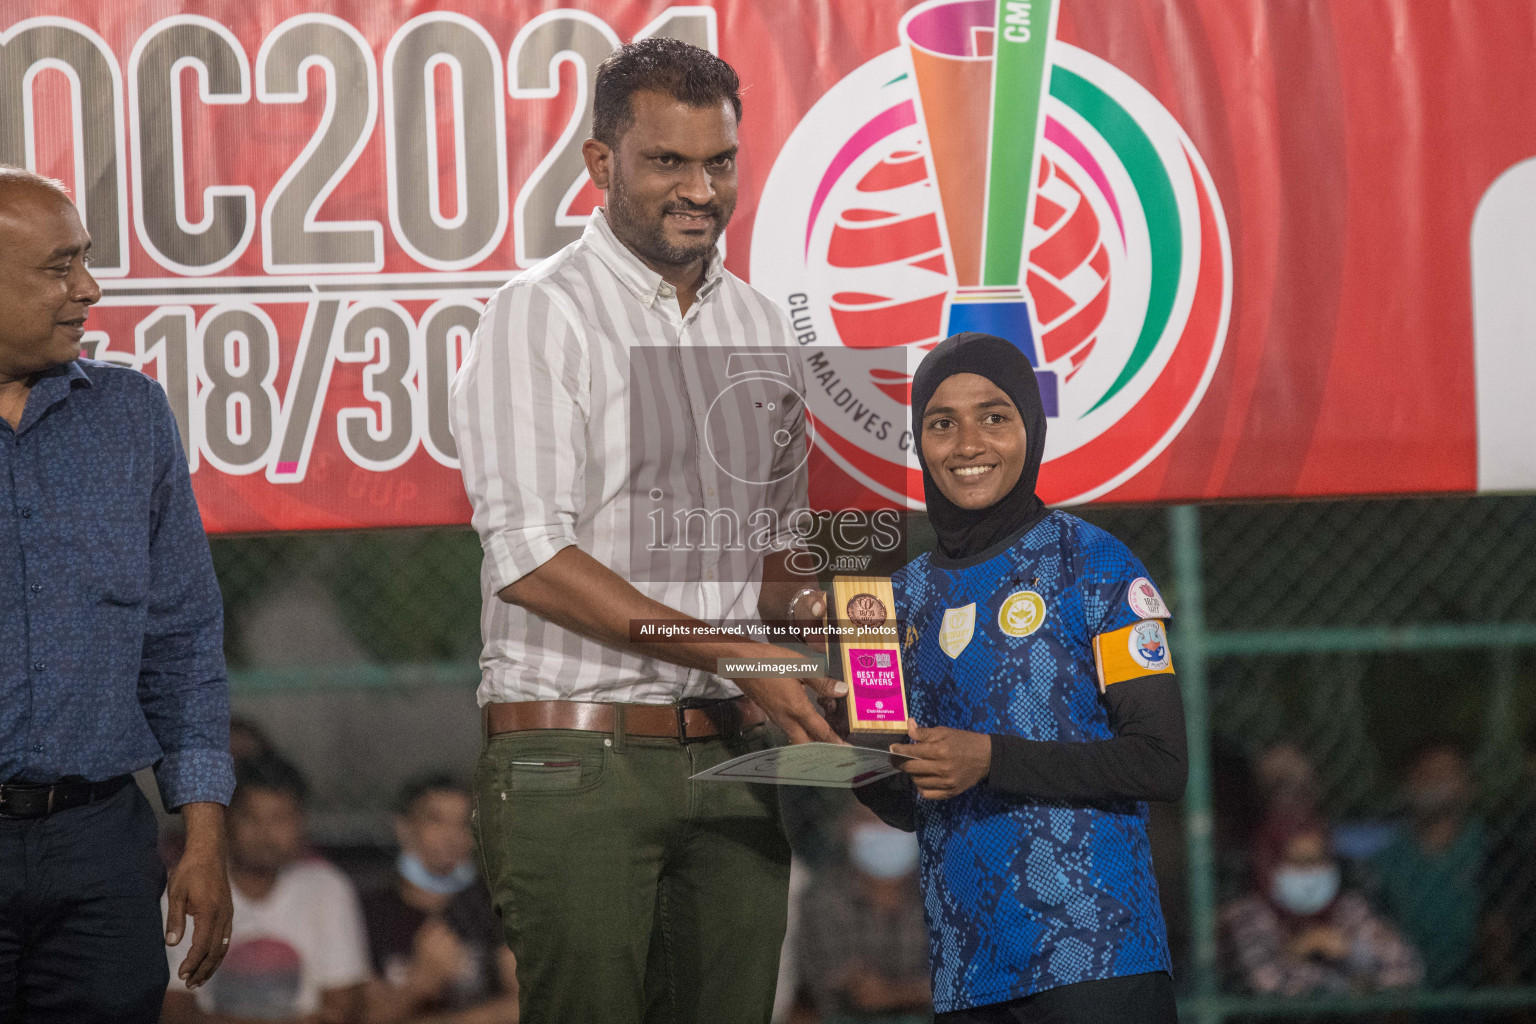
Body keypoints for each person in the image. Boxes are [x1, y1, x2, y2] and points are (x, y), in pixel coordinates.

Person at [447, 38, 844, 1024]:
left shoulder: (761, 328)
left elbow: (780, 550)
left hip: (734, 760)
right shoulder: (539, 316)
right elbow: (532, 558)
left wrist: (853, 655)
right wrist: (737, 654)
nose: (699, 188)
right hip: (575, 760)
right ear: (601, 164)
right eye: (669, 160)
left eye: (719, 162)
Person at [857, 332, 1188, 1023]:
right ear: (920, 443)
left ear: (1030, 429)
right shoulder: (884, 605)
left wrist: (989, 758)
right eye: (941, 423)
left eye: (994, 416)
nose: (968, 443)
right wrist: (846, 740)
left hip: (1097, 956)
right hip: (967, 970)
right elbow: (903, 801)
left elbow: (1160, 761)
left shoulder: (1096, 562)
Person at [0, 166, 234, 1022]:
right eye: (59, 267)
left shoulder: (132, 416)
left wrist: (204, 838)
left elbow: (184, 640)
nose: (88, 289)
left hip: (102, 846)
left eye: (85, 262)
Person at [163, 754, 370, 1023]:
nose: (266, 834)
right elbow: (173, 1010)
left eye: (280, 819)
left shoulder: (328, 888)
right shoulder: (187, 887)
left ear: (301, 823)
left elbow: (343, 1009)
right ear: (225, 821)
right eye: (252, 818)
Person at [361, 774, 517, 1023]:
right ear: (404, 828)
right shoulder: (368, 910)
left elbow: (525, 1005)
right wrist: (422, 981)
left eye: (463, 824)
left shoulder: (498, 904)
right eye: (436, 821)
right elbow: (364, 1015)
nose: (451, 836)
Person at [1221, 813, 1422, 995]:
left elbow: (1407, 969)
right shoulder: (1251, 915)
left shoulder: (1348, 908)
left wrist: (1351, 951)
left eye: (1318, 860)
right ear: (1270, 866)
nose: (1310, 872)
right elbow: (1268, 982)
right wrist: (1297, 951)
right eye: (1298, 862)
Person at [797, 804, 931, 1024]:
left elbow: (967, 981)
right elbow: (841, 985)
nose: (885, 829)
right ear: (846, 827)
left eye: (895, 820)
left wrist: (892, 993)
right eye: (870, 820)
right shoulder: (825, 896)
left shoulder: (944, 895)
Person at [1371, 738, 1487, 988]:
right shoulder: (1385, 860)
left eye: (1446, 772)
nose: (1435, 781)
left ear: (1469, 785)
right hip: (1408, 991)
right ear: (1407, 786)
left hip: (1480, 988)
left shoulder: (1494, 848)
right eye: (1426, 773)